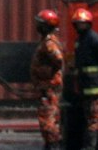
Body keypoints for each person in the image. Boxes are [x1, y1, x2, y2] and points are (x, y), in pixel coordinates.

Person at [67, 7, 98, 150]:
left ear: (88, 23)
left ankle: (90, 146)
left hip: (95, 86)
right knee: (93, 117)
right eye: (77, 23)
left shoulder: (95, 40)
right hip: (85, 86)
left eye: (82, 23)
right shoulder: (80, 40)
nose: (80, 26)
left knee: (93, 119)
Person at [31, 9, 66, 150]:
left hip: (49, 86)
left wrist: (46, 71)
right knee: (46, 118)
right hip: (45, 86)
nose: (37, 26)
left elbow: (58, 59)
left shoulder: (49, 43)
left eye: (40, 24)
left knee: (48, 119)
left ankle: (53, 145)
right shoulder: (46, 41)